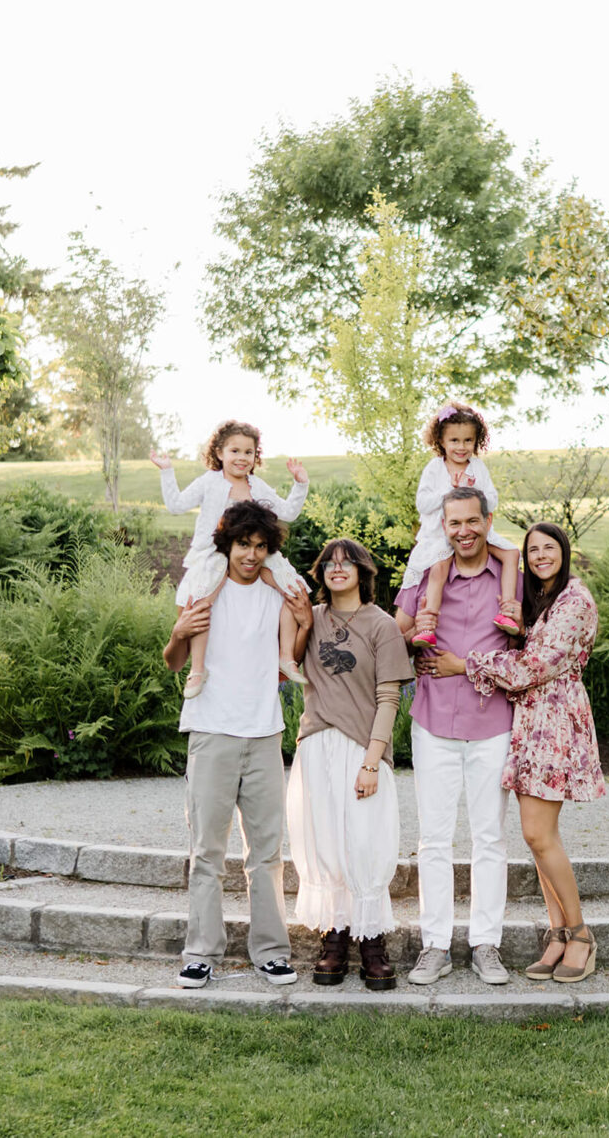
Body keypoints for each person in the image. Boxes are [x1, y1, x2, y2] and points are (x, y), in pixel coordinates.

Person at [423, 522, 604, 982]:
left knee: (541, 835)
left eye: (549, 547)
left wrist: (463, 664)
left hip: (555, 722)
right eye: (533, 550)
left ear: (564, 550)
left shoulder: (575, 601)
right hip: (530, 724)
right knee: (535, 836)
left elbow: (531, 666)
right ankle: (558, 934)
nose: (541, 555)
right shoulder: (541, 600)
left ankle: (581, 934)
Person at [161, 499, 312, 990]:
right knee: (207, 850)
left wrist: (305, 622)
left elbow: (295, 654)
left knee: (266, 853)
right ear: (227, 544)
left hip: (265, 733)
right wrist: (178, 633)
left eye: (260, 546)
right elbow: (172, 662)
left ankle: (270, 951)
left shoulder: (275, 594)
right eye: (243, 544)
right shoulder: (206, 590)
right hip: (211, 731)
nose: (251, 554)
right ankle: (200, 952)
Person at [394, 485, 522, 985]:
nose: (464, 531)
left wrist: (463, 665)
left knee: (489, 836)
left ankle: (487, 944)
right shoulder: (428, 575)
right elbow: (394, 632)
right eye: (454, 524)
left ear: (488, 521)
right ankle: (435, 946)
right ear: (442, 527)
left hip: (493, 722)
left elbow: (527, 644)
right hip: (433, 722)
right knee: (434, 839)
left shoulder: (512, 580)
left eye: (472, 521)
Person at [284, 538, 414, 991]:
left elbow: (389, 696)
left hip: (362, 750)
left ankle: (372, 946)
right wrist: (301, 623)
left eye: (347, 562)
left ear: (363, 571)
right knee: (324, 841)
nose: (338, 569)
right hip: (317, 744)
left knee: (365, 839)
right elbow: (288, 665)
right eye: (330, 563)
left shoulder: (381, 625)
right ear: (320, 573)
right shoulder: (312, 619)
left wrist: (372, 761)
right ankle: (334, 938)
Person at [153, 419, 309, 698]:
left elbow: (287, 512)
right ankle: (197, 669)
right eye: (234, 451)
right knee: (201, 599)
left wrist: (300, 484)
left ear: (255, 457)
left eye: (248, 452)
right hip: (214, 551)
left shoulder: (257, 486)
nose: (242, 458)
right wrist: (167, 472)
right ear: (220, 453)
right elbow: (176, 505)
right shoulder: (210, 482)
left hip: (252, 552)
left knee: (291, 585)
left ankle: (286, 656)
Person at [399, 403, 520, 647]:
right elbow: (422, 503)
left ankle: (506, 611)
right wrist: (450, 491)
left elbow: (492, 499)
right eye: (454, 440)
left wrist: (472, 491)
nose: (461, 447)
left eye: (468, 440)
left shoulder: (478, 467)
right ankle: (428, 625)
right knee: (439, 568)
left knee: (512, 553)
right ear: (441, 441)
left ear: (476, 441)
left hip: (475, 532)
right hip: (440, 533)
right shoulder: (435, 468)